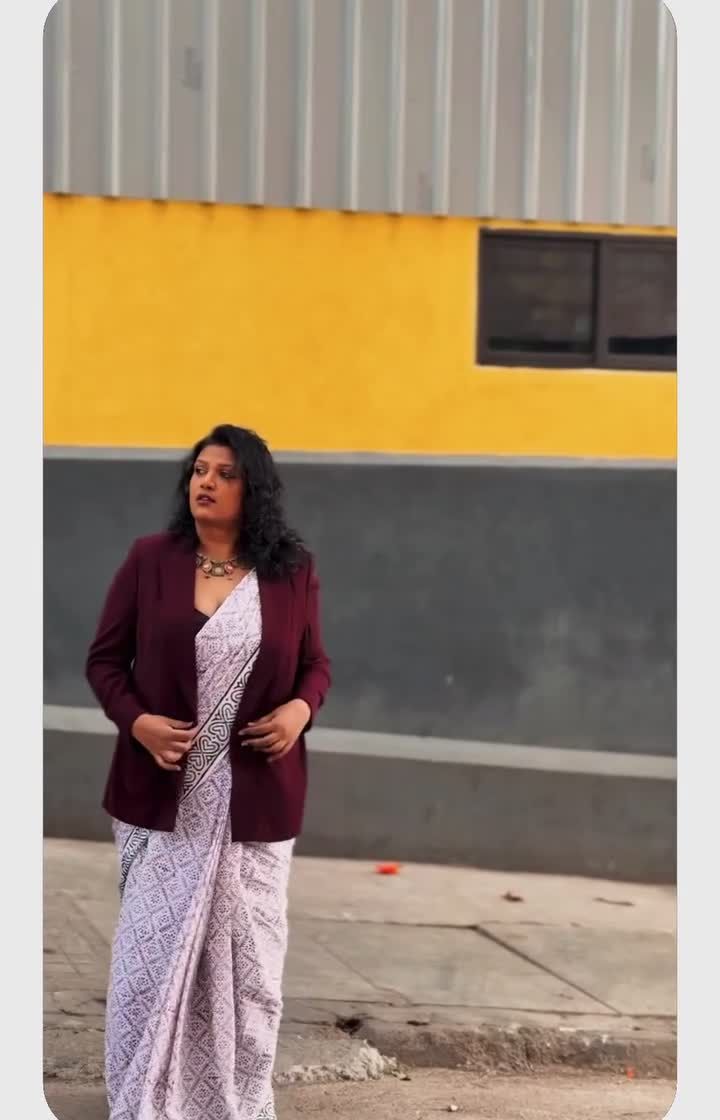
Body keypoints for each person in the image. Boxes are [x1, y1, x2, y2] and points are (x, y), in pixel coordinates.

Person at [86, 424, 331, 1120]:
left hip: (255, 799)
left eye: (225, 473)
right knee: (148, 962)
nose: (206, 483)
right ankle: (145, 1094)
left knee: (251, 972)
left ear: (254, 489)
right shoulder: (151, 560)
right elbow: (105, 662)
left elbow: (316, 664)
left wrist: (299, 711)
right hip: (162, 795)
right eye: (199, 470)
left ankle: (233, 1100)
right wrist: (138, 722)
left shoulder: (291, 571)